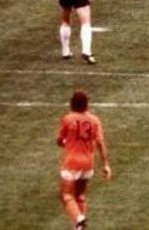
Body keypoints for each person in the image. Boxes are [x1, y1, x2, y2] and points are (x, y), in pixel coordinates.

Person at [56, 89, 112, 230]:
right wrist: (106, 165)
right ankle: (79, 228)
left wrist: (65, 143)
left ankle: (79, 218)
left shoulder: (68, 118)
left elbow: (59, 140)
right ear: (87, 104)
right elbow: (100, 143)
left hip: (71, 163)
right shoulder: (94, 120)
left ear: (72, 103)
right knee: (80, 196)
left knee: (66, 196)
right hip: (87, 165)